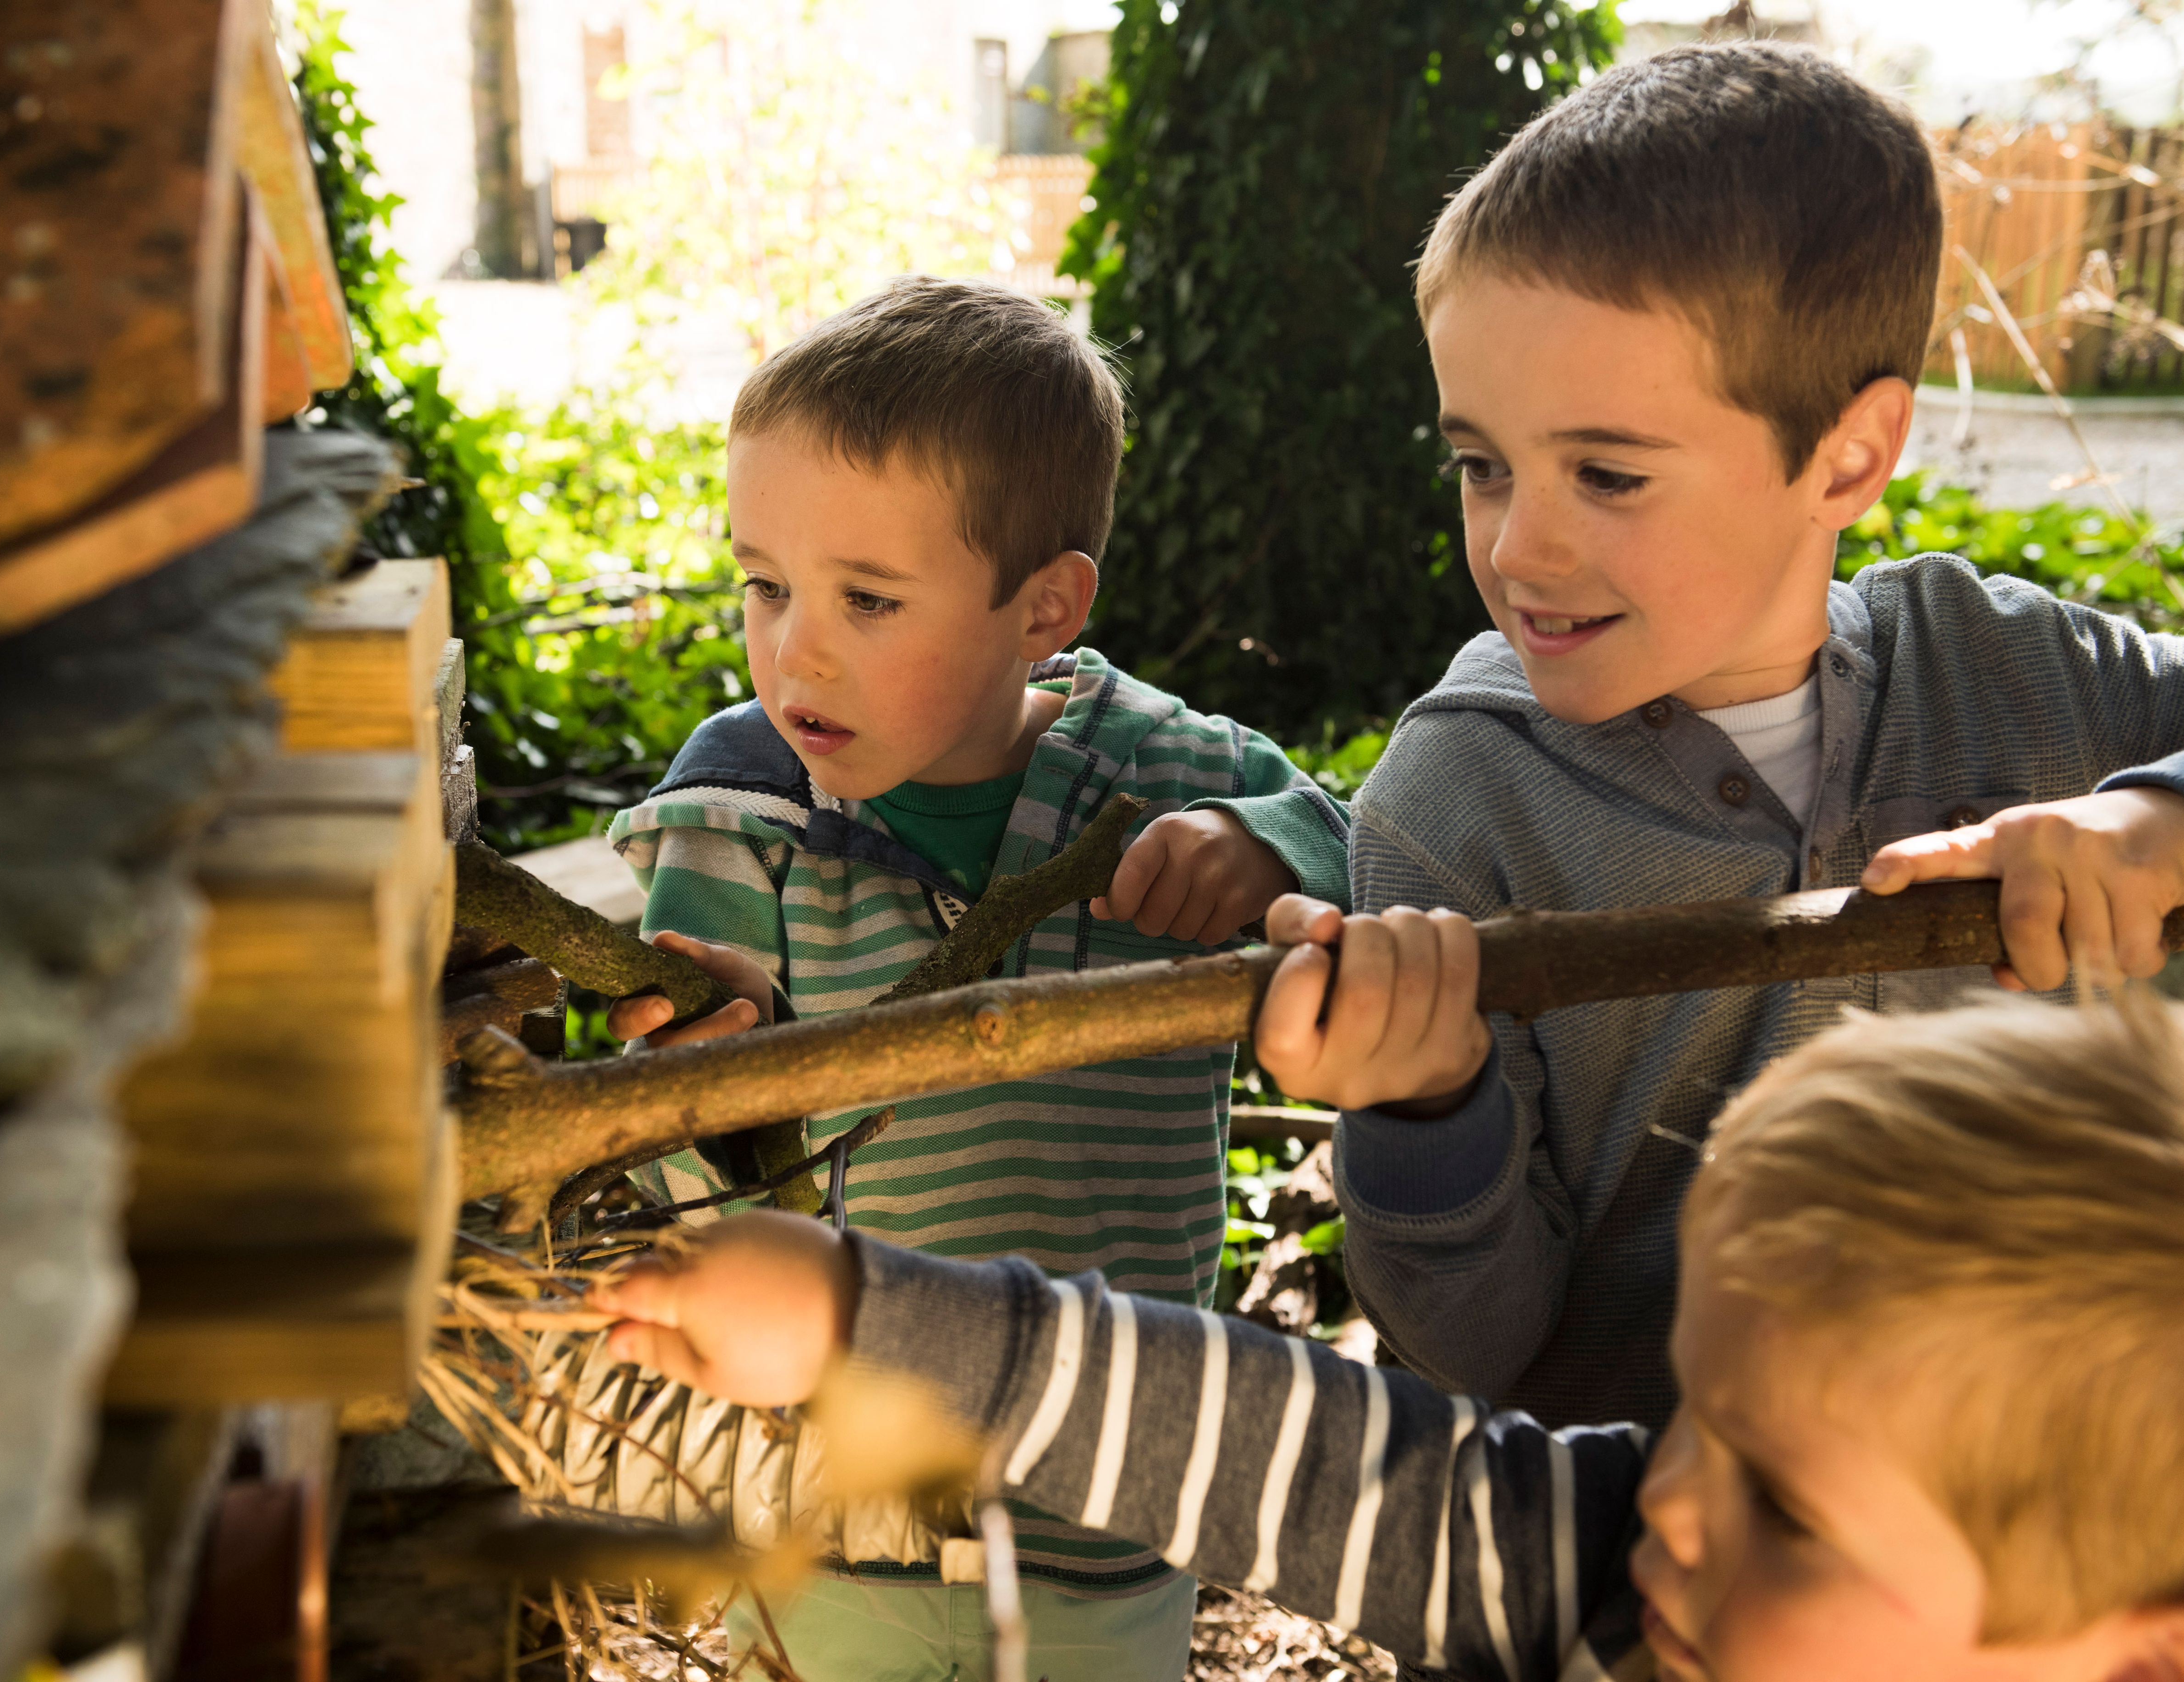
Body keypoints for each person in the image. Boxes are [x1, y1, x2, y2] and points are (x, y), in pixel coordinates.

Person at [1239, 40, 2184, 1429]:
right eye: (1481, 464)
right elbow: (1474, 1352)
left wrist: (2158, 815)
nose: (1518, 543)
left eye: (1607, 473)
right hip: (1662, 1586)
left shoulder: (2032, 681)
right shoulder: (1458, 805)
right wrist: (1427, 1107)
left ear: (1849, 458)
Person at [588, 994, 2184, 1682]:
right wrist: (871, 1317)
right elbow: (1291, 1457)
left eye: (1792, 1511)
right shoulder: (1606, 1566)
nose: (1671, 1494)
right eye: (1698, 1410)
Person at [598, 275, 1351, 1680]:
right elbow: (696, 1202)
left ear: (1043, 610)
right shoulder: (742, 821)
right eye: (765, 584)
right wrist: (703, 1082)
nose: (793, 649)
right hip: (837, 1513)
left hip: (1116, 1490)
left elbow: (1376, 870)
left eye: (867, 599)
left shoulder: (1174, 780)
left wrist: (1271, 850)